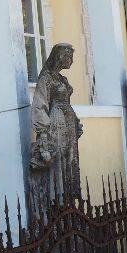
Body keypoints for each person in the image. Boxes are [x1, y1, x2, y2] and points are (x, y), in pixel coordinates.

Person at [29, 43, 83, 206]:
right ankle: (57, 201)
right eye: (68, 56)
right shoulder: (47, 78)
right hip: (56, 124)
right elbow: (40, 104)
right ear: (60, 57)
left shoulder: (62, 79)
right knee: (58, 159)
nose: (71, 60)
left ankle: (68, 200)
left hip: (68, 124)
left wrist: (75, 121)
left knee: (70, 159)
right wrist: (43, 134)